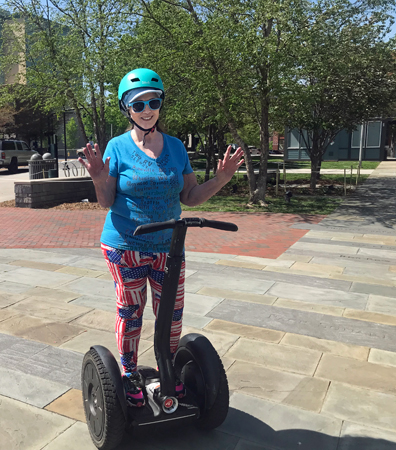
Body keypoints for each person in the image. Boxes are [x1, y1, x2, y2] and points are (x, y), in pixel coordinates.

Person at [78, 68, 244, 407]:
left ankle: (167, 370)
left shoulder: (176, 147)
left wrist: (222, 178)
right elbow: (107, 200)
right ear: (127, 108)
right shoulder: (117, 147)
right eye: (138, 104)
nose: (147, 109)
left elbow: (191, 197)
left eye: (154, 102)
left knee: (171, 315)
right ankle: (130, 374)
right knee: (131, 311)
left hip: (169, 247)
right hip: (126, 246)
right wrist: (98, 176)